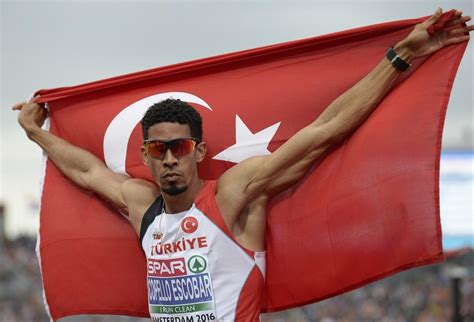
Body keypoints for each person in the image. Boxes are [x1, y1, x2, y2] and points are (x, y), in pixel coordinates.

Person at [13, 8, 473, 322]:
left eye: (178, 147)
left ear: (198, 150)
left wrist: (403, 55)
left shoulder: (233, 195)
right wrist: (37, 132)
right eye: (157, 150)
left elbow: (324, 131)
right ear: (144, 158)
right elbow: (88, 173)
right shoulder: (142, 207)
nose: (169, 159)